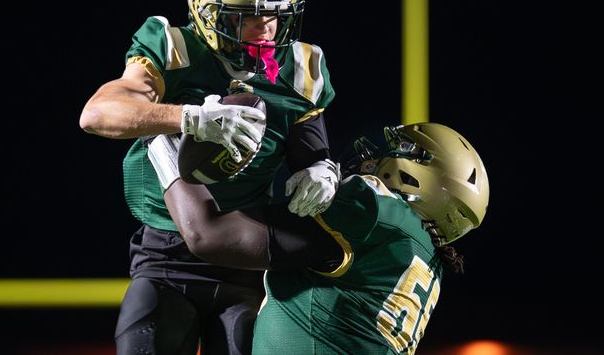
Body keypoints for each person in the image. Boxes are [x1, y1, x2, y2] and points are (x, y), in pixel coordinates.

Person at [79, 0, 340, 354]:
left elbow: (311, 146)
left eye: (275, 16)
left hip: (247, 250)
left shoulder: (300, 68)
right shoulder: (175, 49)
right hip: (166, 254)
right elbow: (97, 114)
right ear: (206, 11)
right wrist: (189, 117)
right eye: (248, 16)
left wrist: (321, 169)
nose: (266, 30)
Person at [156, 122, 490, 354]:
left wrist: (158, 138)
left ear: (419, 177)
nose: (376, 156)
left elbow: (206, 234)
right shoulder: (426, 259)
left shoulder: (373, 213)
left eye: (400, 149)